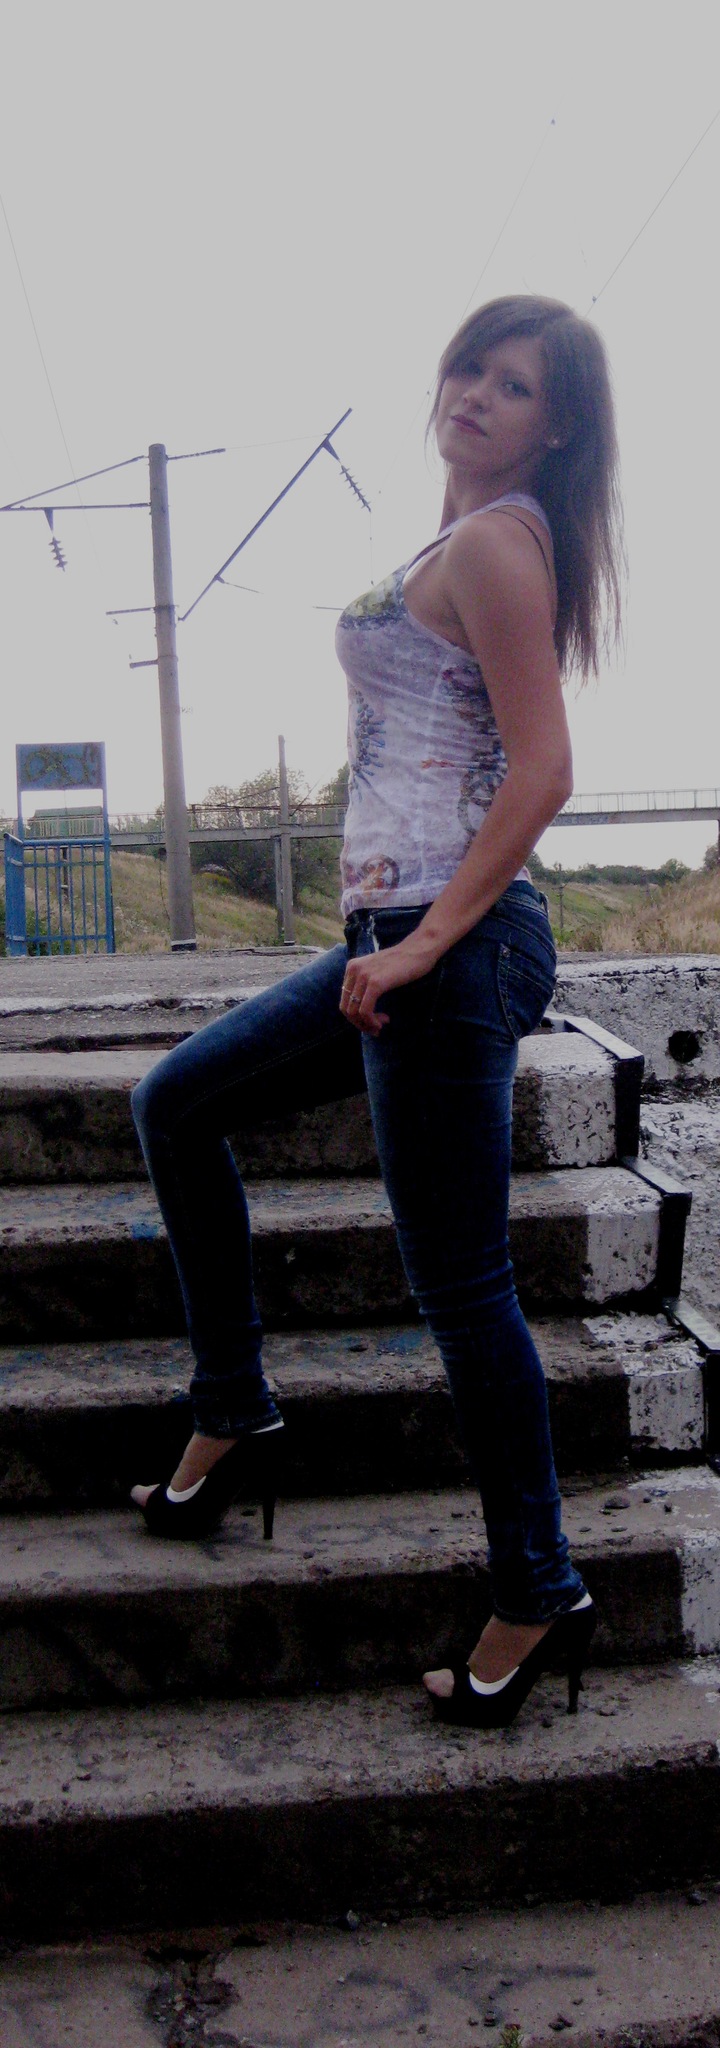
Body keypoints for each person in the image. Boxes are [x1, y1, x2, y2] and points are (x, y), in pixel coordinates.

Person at [131, 294, 623, 1729]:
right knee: (179, 1104)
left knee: (461, 1282)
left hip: (448, 947)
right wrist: (389, 939)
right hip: (400, 936)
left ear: (557, 426)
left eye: (515, 384)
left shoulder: (499, 542)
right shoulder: (460, 540)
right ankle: (234, 1409)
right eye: (471, 366)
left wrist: (424, 947)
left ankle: (536, 1584)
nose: (476, 392)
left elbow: (545, 771)